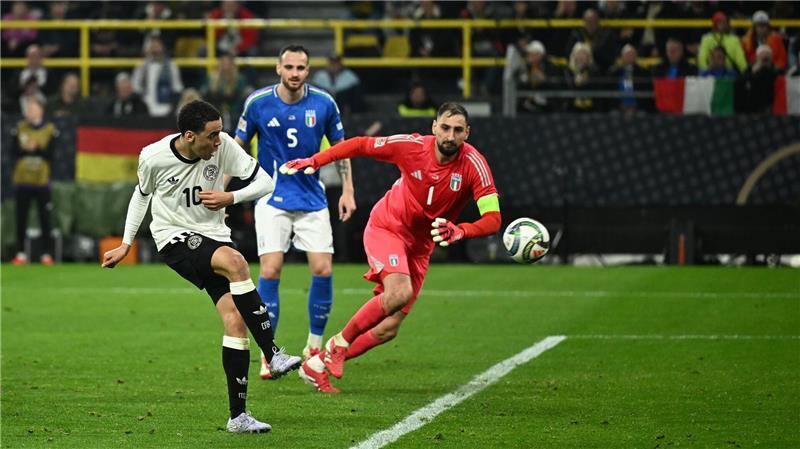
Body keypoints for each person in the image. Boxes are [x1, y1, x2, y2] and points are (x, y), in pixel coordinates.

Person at [101, 100, 302, 433]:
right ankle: (273, 353)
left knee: (235, 321)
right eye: (212, 136)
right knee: (236, 262)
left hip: (213, 234)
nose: (219, 142)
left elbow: (266, 182)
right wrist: (126, 243)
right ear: (190, 136)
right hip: (174, 239)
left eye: (220, 133)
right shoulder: (153, 157)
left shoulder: (221, 149)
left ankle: (238, 417)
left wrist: (230, 198)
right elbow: (142, 196)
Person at [280, 103, 502, 393]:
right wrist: (316, 160)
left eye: (458, 130)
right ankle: (337, 344)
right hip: (388, 227)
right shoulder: (411, 147)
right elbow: (360, 145)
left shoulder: (474, 165)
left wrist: (462, 230)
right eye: (445, 128)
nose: (450, 135)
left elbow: (493, 219)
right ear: (434, 127)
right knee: (399, 293)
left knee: (387, 329)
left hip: (420, 247)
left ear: (467, 133)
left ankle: (316, 365)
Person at [234, 44, 356, 380]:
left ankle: (314, 346)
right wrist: (226, 190)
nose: (294, 73)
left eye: (300, 68)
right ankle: (268, 353)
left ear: (308, 71)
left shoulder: (324, 103)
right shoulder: (258, 103)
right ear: (278, 68)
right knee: (270, 270)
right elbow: (236, 147)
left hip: (312, 198)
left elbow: (343, 149)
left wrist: (347, 190)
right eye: (289, 67)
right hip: (271, 197)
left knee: (323, 268)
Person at [10, 97, 58, 266]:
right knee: (20, 218)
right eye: (28, 109)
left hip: (41, 181)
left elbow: (51, 155)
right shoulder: (19, 129)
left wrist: (37, 148)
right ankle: (20, 253)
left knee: (45, 218)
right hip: (23, 181)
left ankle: (46, 253)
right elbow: (13, 152)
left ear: (41, 110)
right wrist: (26, 149)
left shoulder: (50, 130)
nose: (30, 112)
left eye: (33, 108)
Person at [131, 36, 184, 117]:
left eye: (157, 46)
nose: (154, 49)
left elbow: (177, 88)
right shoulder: (141, 66)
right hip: (145, 109)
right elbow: (135, 87)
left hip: (166, 109)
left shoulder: (171, 66)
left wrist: (172, 107)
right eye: (152, 46)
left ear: (163, 47)